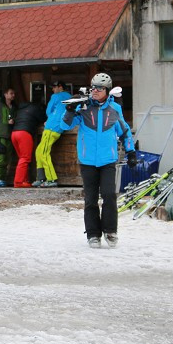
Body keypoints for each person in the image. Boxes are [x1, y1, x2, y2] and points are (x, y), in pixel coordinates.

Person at [59, 73, 136, 249]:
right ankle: (93, 234)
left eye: (99, 88)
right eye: (93, 87)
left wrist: (131, 151)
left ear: (107, 91)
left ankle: (110, 231)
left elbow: (124, 131)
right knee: (91, 199)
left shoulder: (115, 109)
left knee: (109, 195)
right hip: (87, 161)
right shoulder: (84, 108)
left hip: (108, 160)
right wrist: (70, 110)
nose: (95, 91)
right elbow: (65, 126)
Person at [33, 81, 70, 187]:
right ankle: (40, 178)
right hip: (59, 127)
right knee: (39, 151)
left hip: (51, 127)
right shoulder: (70, 97)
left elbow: (48, 111)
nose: (53, 89)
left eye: (54, 87)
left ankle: (51, 179)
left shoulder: (55, 96)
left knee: (43, 152)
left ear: (60, 87)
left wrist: (49, 118)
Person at [10, 98, 47, 188]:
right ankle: (18, 182)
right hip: (24, 133)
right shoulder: (36, 108)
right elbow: (43, 118)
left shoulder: (21, 109)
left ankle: (24, 180)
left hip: (14, 133)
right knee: (25, 158)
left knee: (21, 159)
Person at [0, 88, 17, 186]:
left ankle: (1, 179)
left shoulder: (14, 106)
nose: (13, 95)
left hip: (10, 135)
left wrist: (13, 120)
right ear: (5, 94)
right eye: (11, 93)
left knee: (7, 159)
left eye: (14, 93)